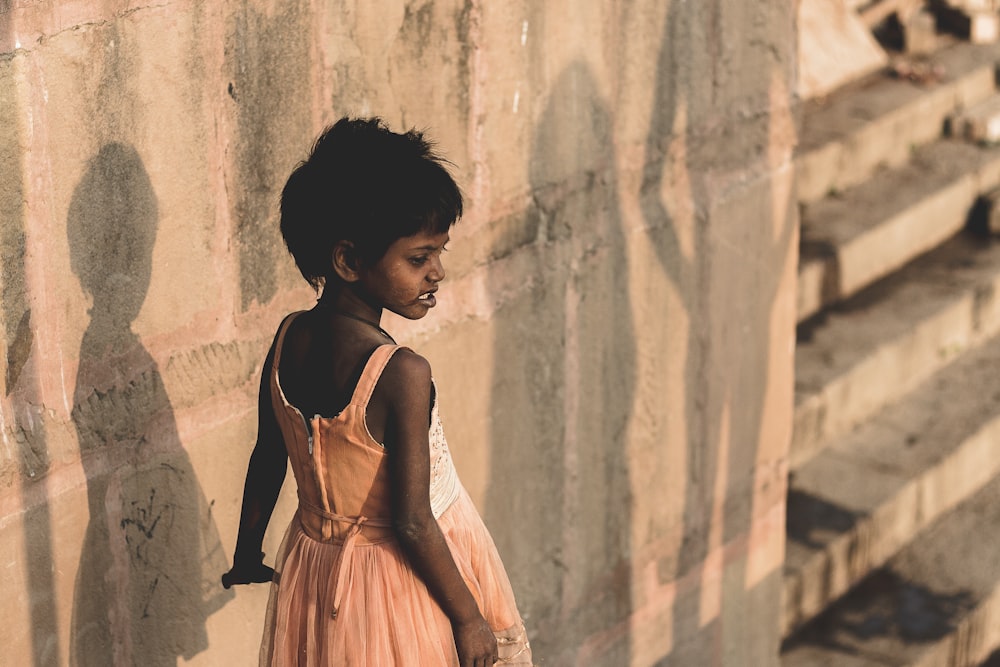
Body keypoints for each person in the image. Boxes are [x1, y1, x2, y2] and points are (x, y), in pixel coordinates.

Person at [222, 117, 533, 667]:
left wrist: (248, 551)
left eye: (439, 251)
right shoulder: (401, 372)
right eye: (418, 258)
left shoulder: (290, 336)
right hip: (399, 585)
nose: (437, 272)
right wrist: (468, 619)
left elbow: (269, 453)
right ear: (348, 261)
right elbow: (413, 521)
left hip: (315, 572)